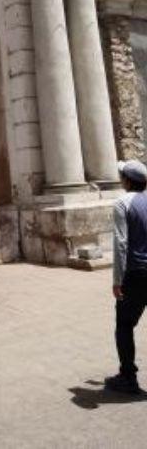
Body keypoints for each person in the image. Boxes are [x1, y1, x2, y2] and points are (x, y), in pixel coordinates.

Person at [107, 159, 147, 394]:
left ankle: (128, 377)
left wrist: (116, 280)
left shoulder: (122, 203)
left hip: (136, 274)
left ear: (127, 181)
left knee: (124, 325)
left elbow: (121, 243)